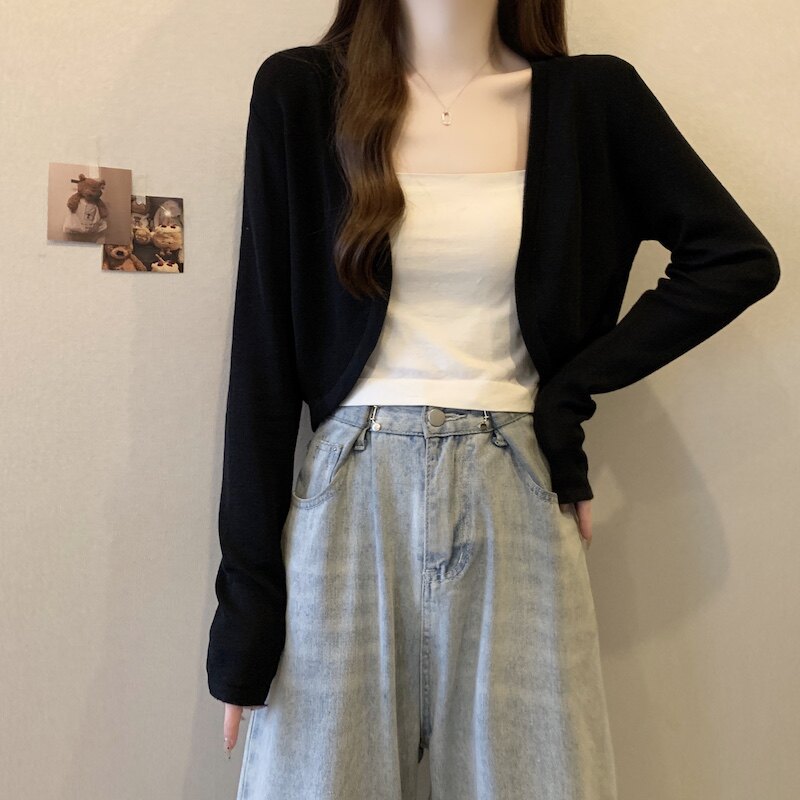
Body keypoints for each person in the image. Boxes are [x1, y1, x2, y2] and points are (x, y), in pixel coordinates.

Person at [206, 1, 780, 798]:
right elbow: (262, 363)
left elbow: (734, 257)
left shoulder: (593, 100)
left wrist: (568, 396)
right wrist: (245, 613)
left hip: (515, 486)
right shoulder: (301, 93)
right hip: (348, 501)